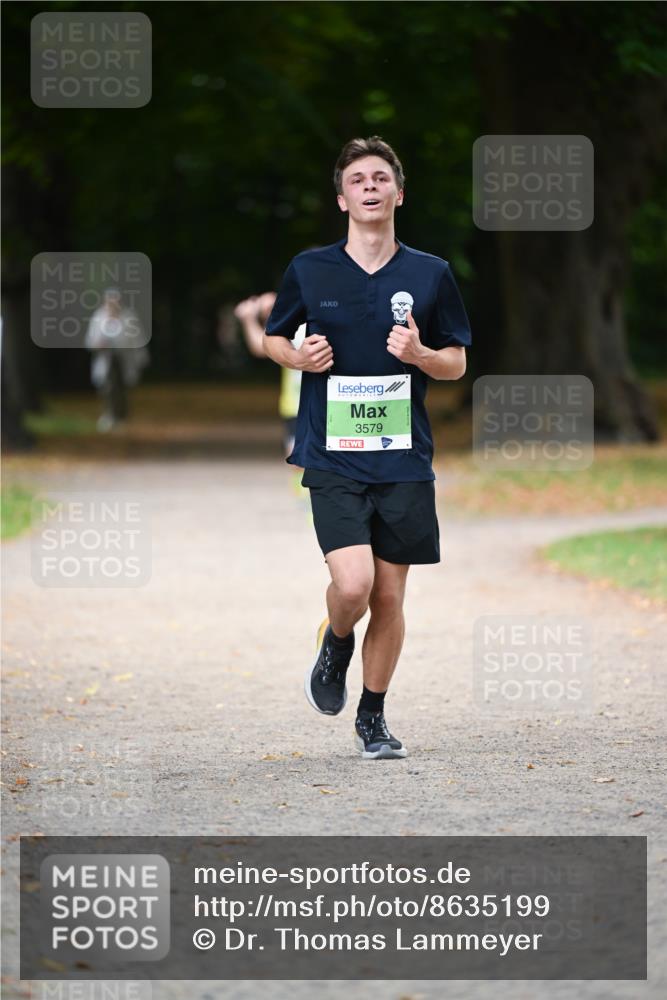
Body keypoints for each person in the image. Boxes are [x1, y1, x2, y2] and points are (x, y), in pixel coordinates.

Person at [263, 135, 471, 760]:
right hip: (332, 453)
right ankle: (335, 638)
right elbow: (275, 338)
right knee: (353, 586)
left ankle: (372, 717)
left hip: (403, 459)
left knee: (389, 596)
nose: (371, 186)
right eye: (359, 180)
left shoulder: (430, 273)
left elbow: (456, 363)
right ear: (342, 198)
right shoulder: (310, 269)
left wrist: (421, 356)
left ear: (398, 194)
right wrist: (298, 356)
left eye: (381, 177)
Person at [234, 291, 306, 458]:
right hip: (295, 406)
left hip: (308, 403)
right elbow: (262, 346)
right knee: (297, 459)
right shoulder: (290, 325)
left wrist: (248, 318)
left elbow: (259, 346)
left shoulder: (299, 325)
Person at [85, 288, 149, 432]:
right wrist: (98, 344)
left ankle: (121, 416)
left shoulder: (128, 318)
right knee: (107, 387)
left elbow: (137, 340)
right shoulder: (99, 318)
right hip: (106, 358)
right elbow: (90, 340)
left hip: (124, 358)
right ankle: (109, 415)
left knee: (122, 388)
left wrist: (140, 359)